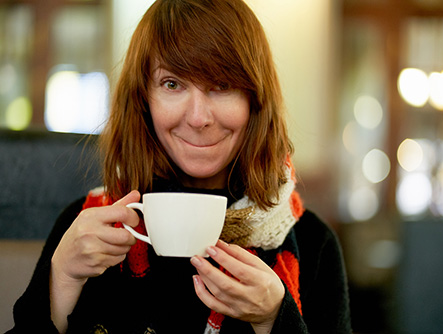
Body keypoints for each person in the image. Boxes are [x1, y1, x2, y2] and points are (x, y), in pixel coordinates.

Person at [9, 0, 351, 333]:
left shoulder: (311, 243)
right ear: (144, 99)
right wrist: (62, 279)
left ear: (255, 101)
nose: (198, 118)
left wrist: (275, 319)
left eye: (223, 85)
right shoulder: (89, 227)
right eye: (172, 84)